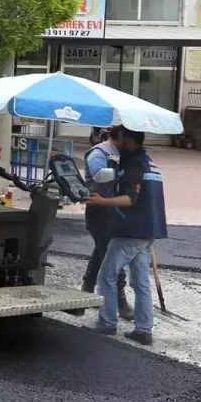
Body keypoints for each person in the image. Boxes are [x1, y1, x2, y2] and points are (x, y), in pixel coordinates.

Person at [87, 129, 168, 345]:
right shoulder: (149, 162)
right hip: (149, 231)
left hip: (130, 231)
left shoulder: (133, 165)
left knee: (106, 276)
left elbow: (130, 198)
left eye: (119, 138)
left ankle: (107, 323)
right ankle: (143, 330)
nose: (115, 142)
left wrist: (101, 201)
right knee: (140, 281)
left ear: (129, 140)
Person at [77, 126, 132, 320]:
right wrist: (122, 173)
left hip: (114, 208)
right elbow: (99, 174)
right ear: (122, 135)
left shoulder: (122, 152)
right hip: (99, 209)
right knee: (111, 254)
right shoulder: (99, 152)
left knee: (102, 251)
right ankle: (120, 302)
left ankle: (85, 292)